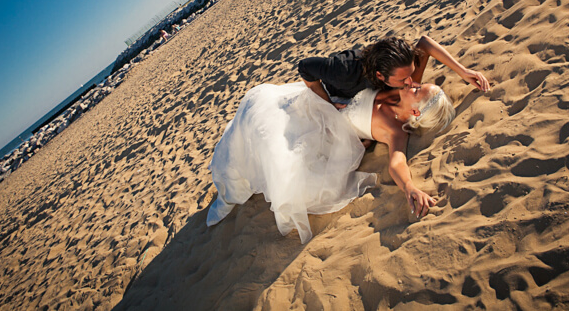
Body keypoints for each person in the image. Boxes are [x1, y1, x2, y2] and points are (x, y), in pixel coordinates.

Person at [206, 77, 459, 243]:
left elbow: (397, 162)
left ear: (414, 111)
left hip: (320, 133)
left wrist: (410, 187)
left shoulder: (395, 130)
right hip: (316, 103)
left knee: (266, 137)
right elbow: (424, 45)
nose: (413, 83)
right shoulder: (400, 89)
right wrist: (465, 73)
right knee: (261, 106)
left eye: (417, 89)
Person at [298, 36, 490, 108]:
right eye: (403, 79)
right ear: (380, 76)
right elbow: (305, 66)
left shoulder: (403, 69)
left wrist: (463, 72)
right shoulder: (343, 70)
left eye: (411, 74)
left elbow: (425, 43)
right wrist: (328, 105)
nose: (412, 82)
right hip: (337, 93)